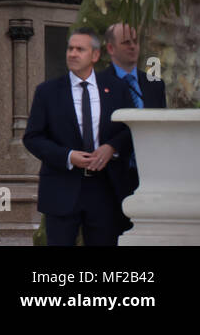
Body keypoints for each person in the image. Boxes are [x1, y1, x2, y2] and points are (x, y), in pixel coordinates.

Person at [23, 28, 134, 246]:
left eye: (80, 49)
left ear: (95, 55)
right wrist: (68, 156)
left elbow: (130, 129)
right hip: (61, 187)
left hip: (105, 188)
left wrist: (111, 147)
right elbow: (33, 137)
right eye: (70, 48)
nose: (72, 54)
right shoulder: (47, 92)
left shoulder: (117, 89)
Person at [96, 23, 164, 235]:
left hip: (150, 176)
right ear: (110, 48)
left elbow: (160, 125)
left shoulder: (154, 83)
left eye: (135, 41)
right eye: (126, 42)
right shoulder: (97, 83)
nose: (133, 47)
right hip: (112, 177)